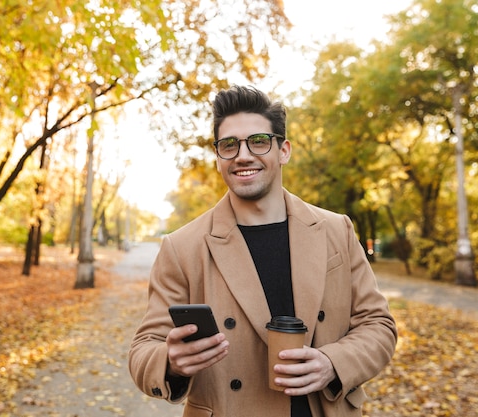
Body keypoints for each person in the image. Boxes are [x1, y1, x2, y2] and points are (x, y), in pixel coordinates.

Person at [129, 85, 398, 417]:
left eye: (258, 141)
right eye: (229, 145)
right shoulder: (182, 247)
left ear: (283, 150)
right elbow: (143, 350)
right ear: (218, 158)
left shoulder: (335, 230)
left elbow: (378, 324)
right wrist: (170, 362)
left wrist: (333, 363)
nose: (243, 155)